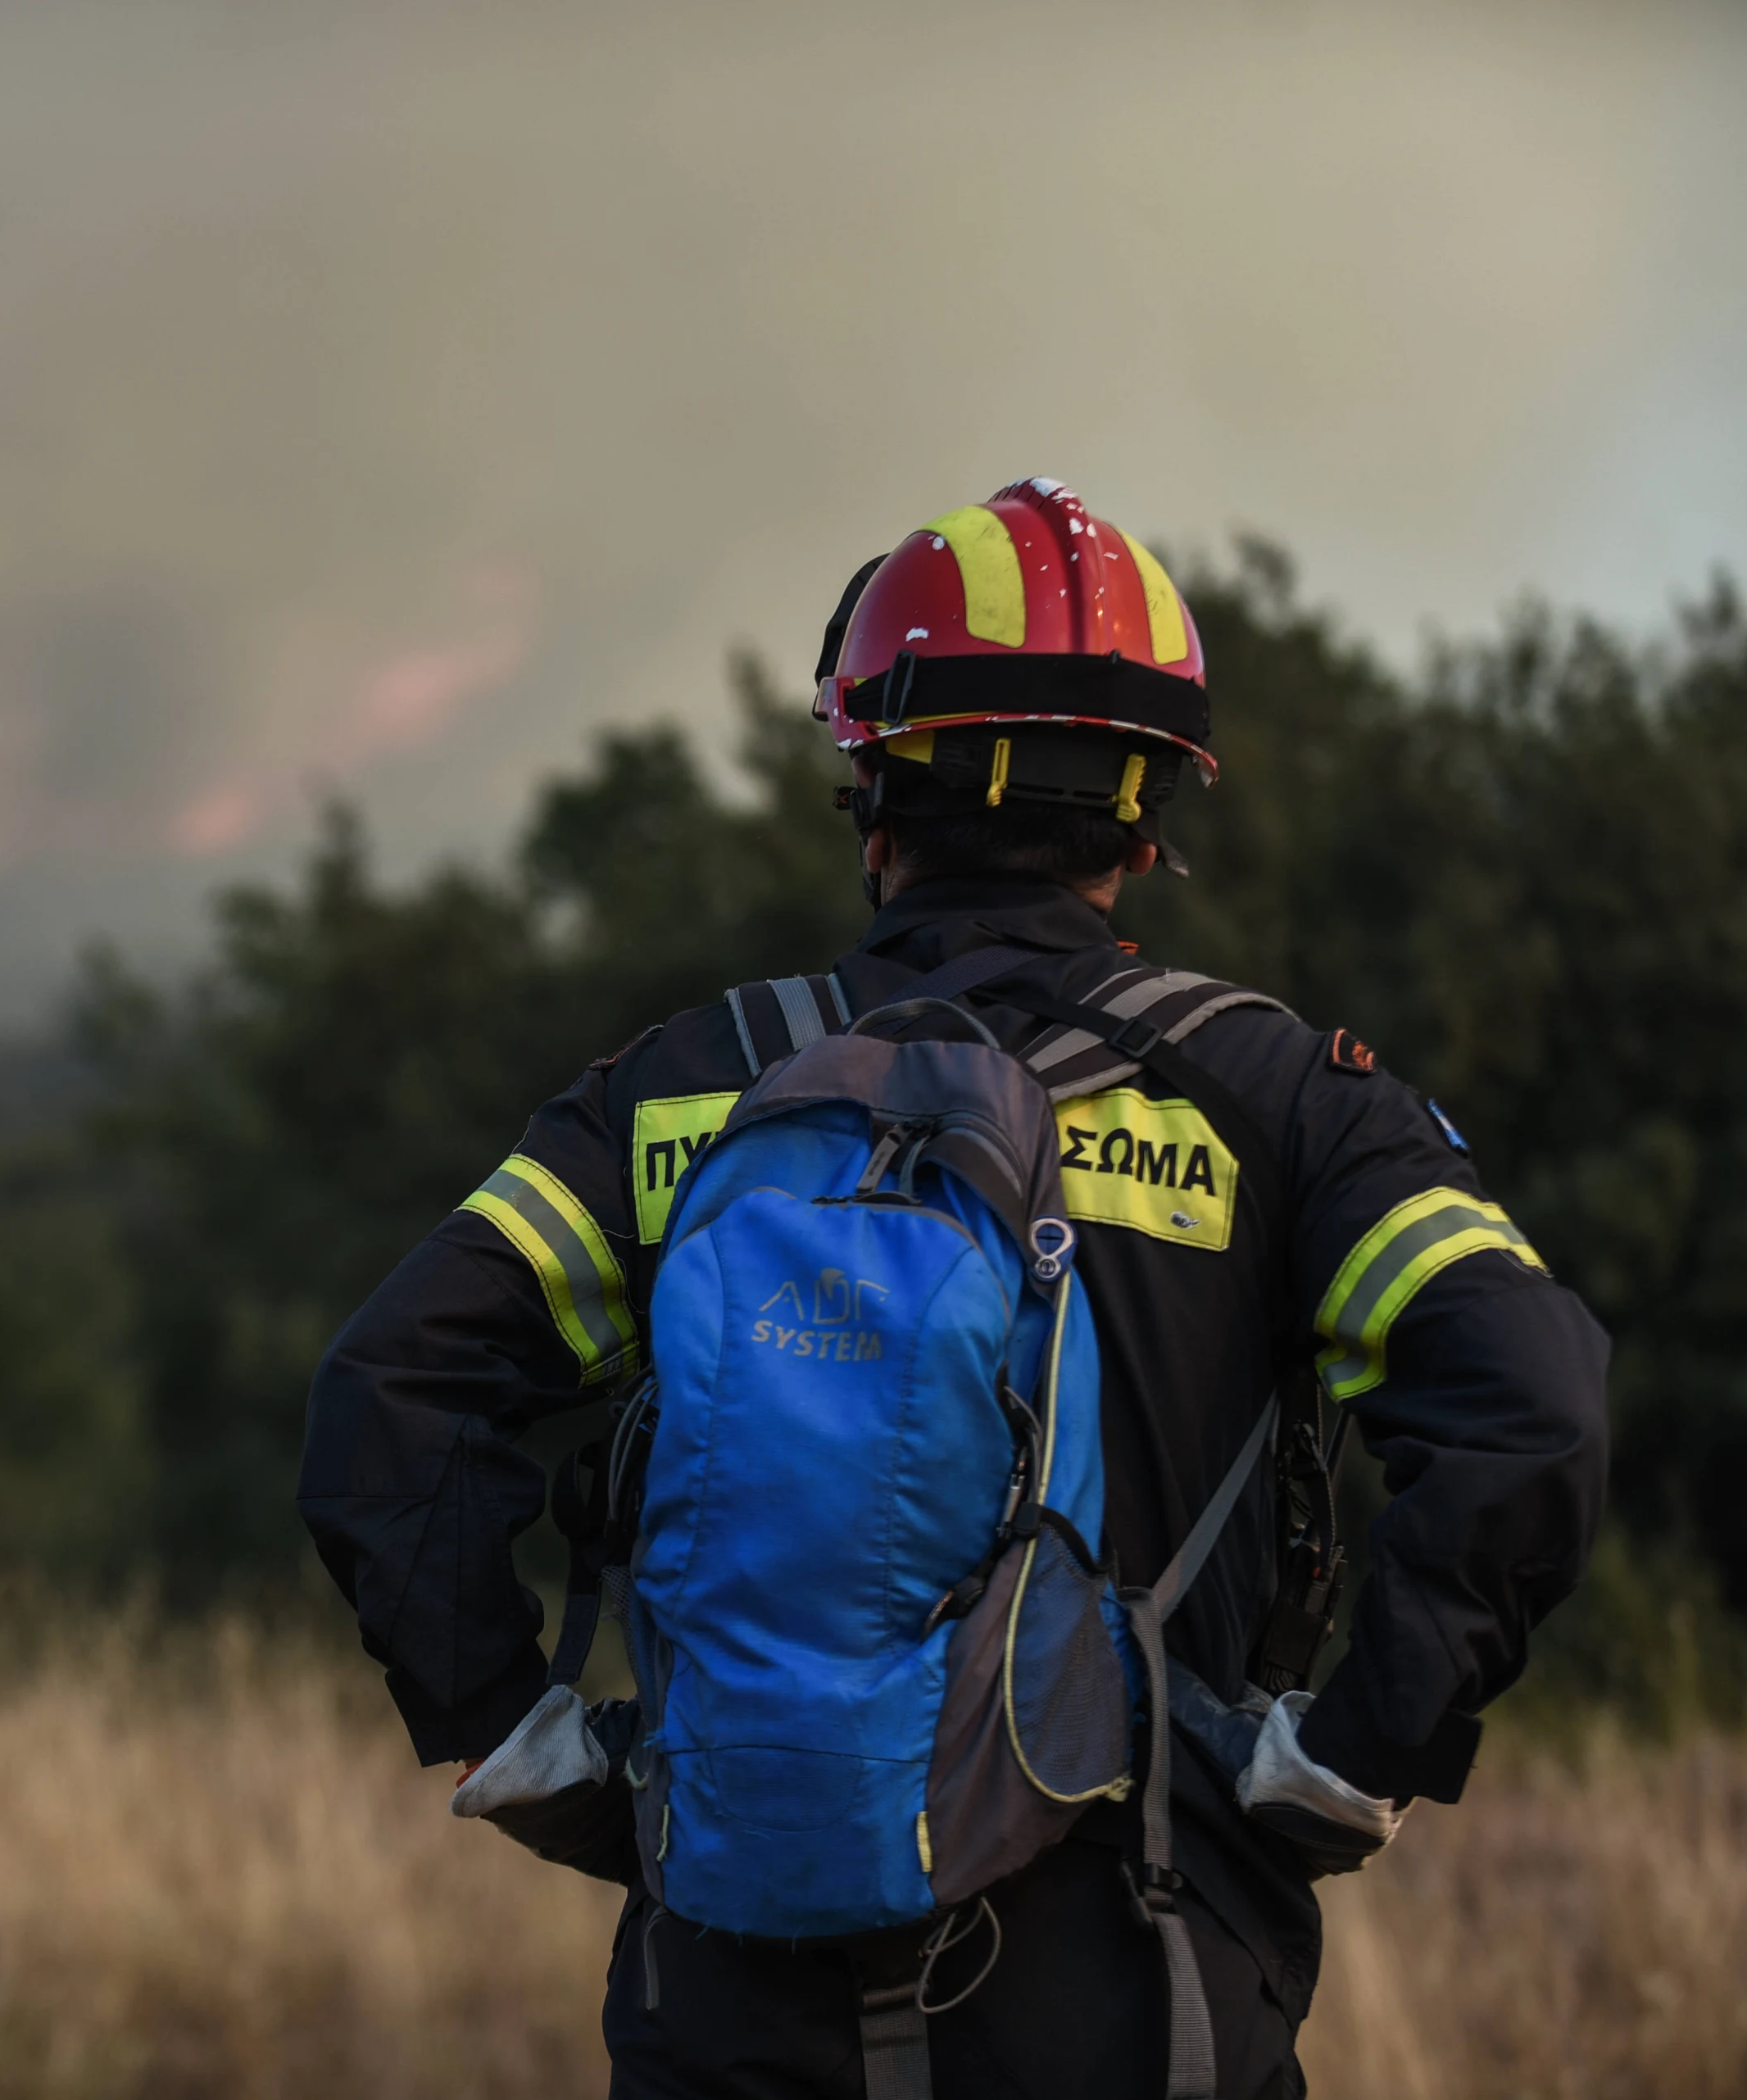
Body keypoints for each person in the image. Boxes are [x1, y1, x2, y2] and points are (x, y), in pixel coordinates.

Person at [297, 478, 1610, 2099]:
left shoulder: (692, 1092)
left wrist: (531, 1747)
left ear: (873, 784)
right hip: (1143, 1982)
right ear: (1149, 810)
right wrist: (1358, 1757)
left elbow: (387, 1397)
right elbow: (1534, 1405)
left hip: (730, 1997)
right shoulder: (1284, 1104)